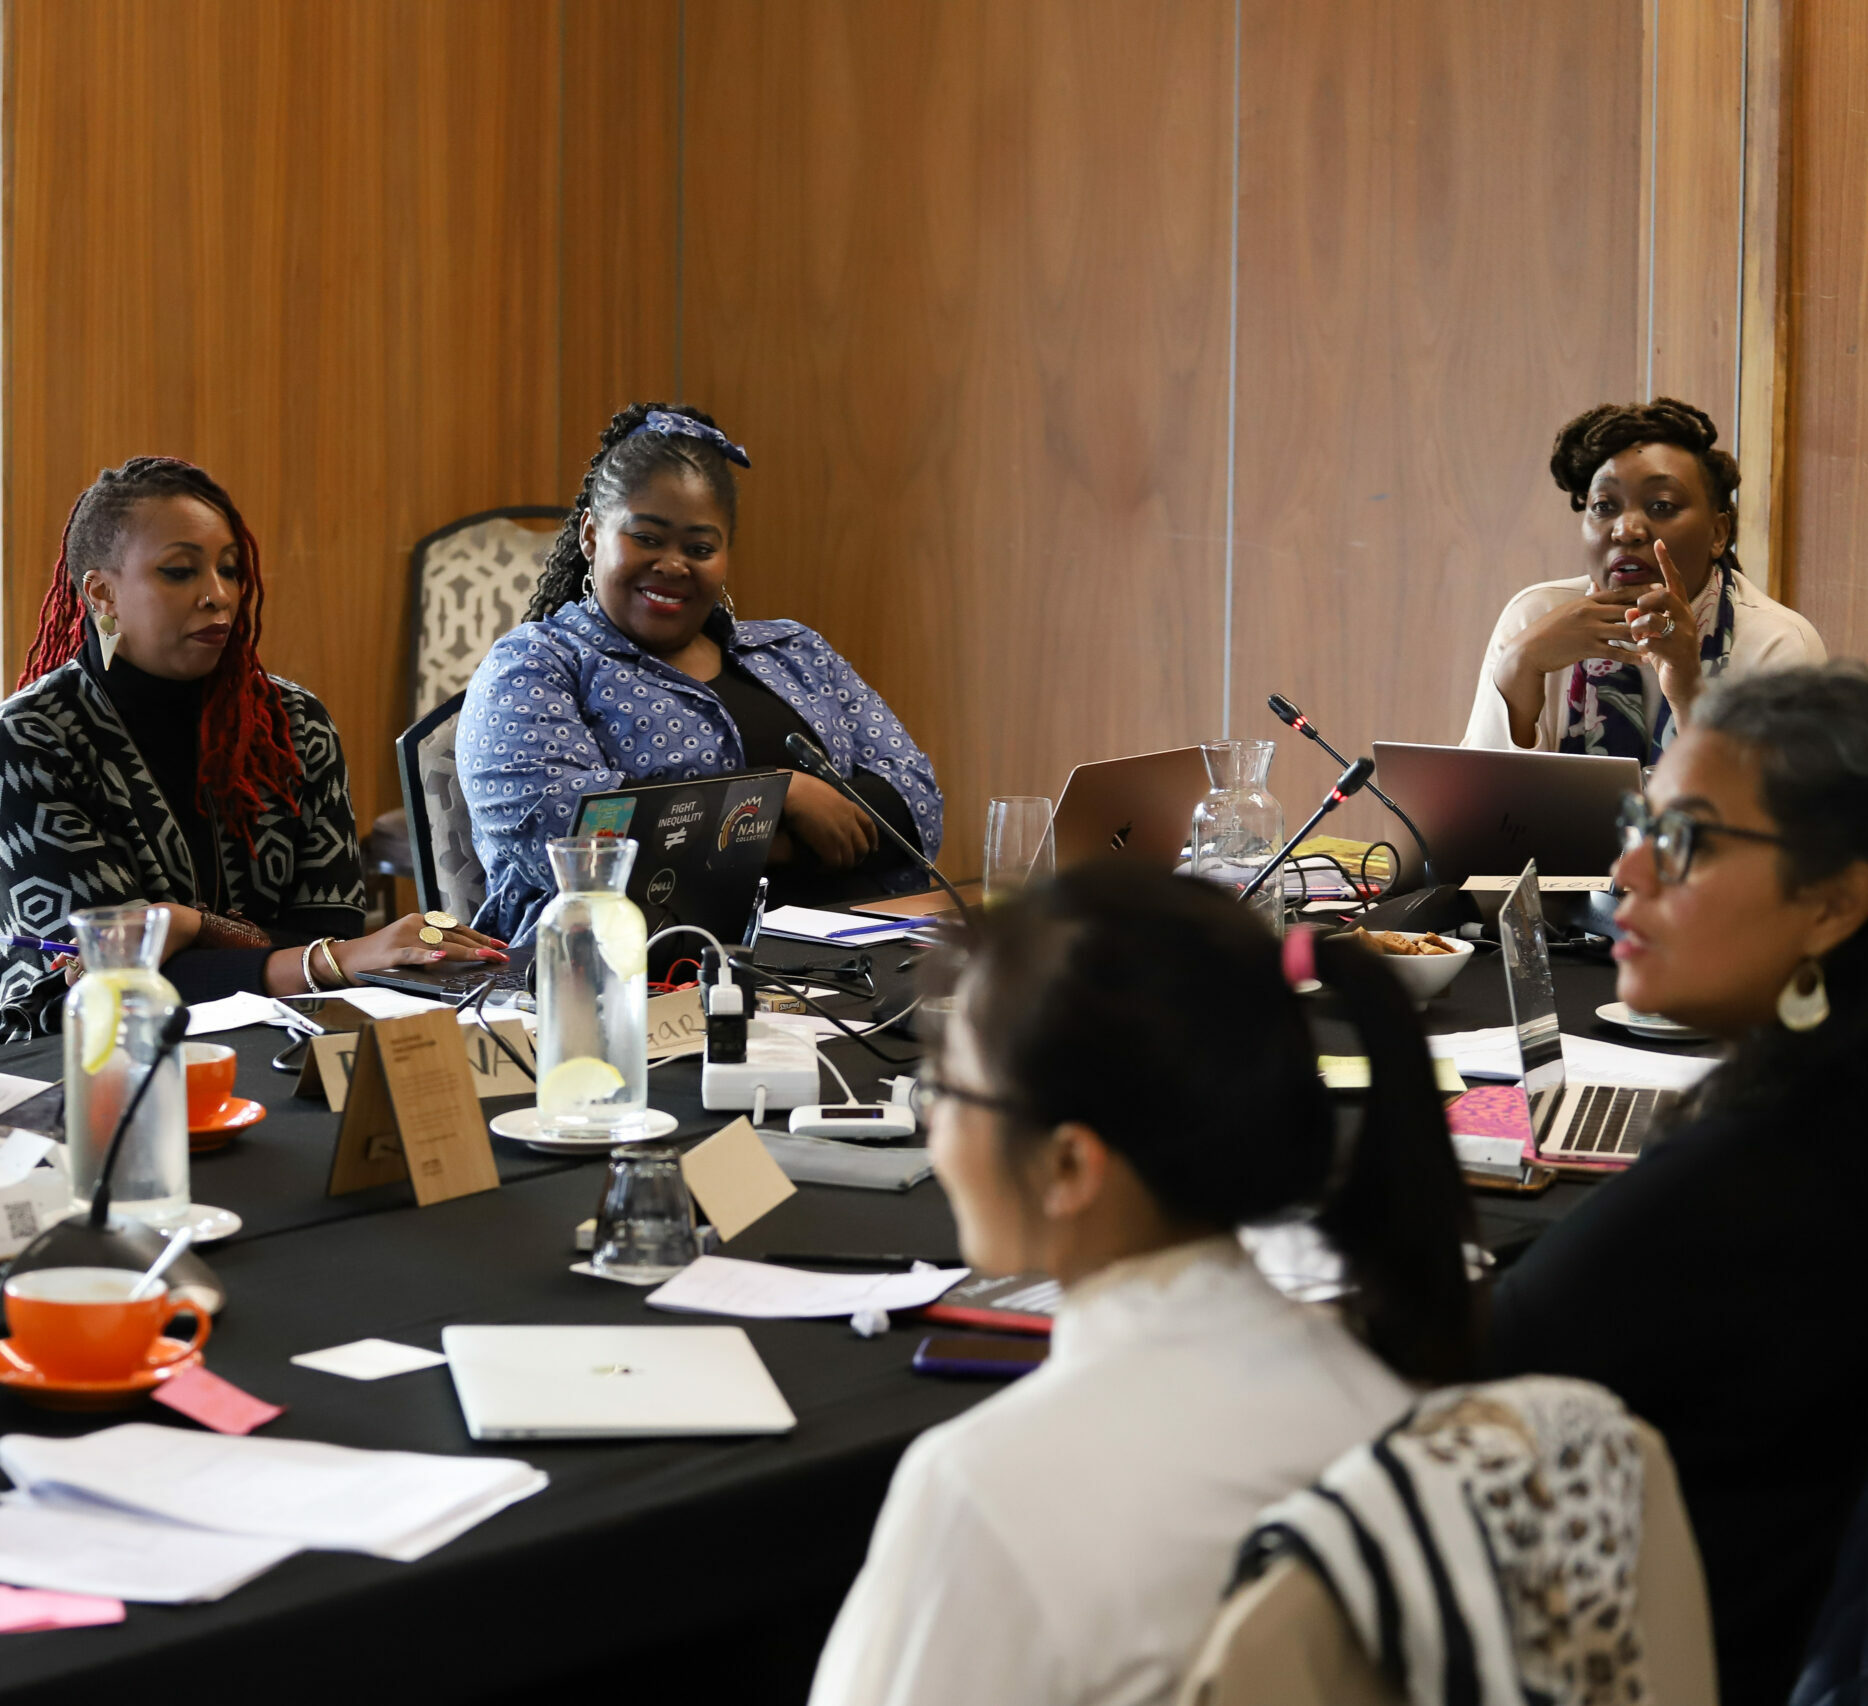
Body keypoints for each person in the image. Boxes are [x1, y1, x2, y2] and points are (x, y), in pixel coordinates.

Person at [809, 865, 1474, 1706]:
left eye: (949, 1088)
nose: (931, 1119)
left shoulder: (985, 1496)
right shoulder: (1395, 1404)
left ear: (1069, 1164)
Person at [1484, 663, 1868, 1706]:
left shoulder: (1759, 1177)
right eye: (1637, 822)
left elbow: (1461, 1379)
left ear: (1832, 902)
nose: (1625, 870)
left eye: (1684, 838)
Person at [0, 457, 507, 1040]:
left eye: (231, 569)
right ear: (102, 593)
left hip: (284, 1039)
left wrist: (188, 926)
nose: (219, 596)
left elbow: (330, 924)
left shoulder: (292, 723)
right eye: (179, 572)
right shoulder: (30, 738)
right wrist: (316, 961)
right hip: (85, 1062)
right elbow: (102, 981)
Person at [459, 403, 942, 940]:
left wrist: (742, 842)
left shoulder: (796, 650)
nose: (672, 564)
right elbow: (577, 838)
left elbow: (913, 799)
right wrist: (783, 796)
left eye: (700, 548)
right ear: (591, 535)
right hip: (635, 979)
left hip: (850, 955)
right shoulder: (534, 665)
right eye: (646, 537)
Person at [1463, 398, 1824, 755]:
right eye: (1604, 506)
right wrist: (1519, 665)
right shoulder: (1533, 617)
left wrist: (1688, 692)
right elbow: (1473, 804)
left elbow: (1783, 810)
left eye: (1661, 505)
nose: (1627, 531)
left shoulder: (1777, 645)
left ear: (1717, 533)